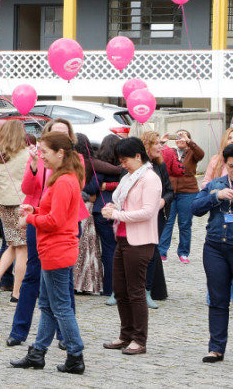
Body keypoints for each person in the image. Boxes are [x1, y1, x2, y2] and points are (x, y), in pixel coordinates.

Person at [10, 131, 85, 374]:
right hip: (54, 250)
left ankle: (75, 355)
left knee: (60, 307)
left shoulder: (64, 181)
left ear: (60, 153)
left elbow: (55, 221)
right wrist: (35, 209)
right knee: (48, 305)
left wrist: (30, 219)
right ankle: (38, 352)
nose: (40, 156)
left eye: (44, 151)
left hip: (57, 250)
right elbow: (55, 213)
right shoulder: (64, 178)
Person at [100, 137, 162, 356]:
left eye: (125, 160)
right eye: (120, 160)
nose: (123, 164)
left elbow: (147, 212)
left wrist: (117, 214)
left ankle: (139, 339)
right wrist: (112, 207)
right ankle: (125, 335)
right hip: (123, 237)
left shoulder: (150, 178)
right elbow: (123, 203)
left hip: (141, 240)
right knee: (120, 290)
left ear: (138, 156)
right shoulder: (128, 177)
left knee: (135, 291)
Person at [192, 141, 233, 363]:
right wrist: (216, 196)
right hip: (215, 248)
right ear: (225, 164)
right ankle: (216, 348)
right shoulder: (216, 184)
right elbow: (195, 208)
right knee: (217, 300)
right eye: (232, 166)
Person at [0, 119, 30, 303]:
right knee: (22, 248)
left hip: (3, 203)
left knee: (13, 244)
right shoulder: (27, 154)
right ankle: (17, 293)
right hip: (22, 203)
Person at [86, 135, 123, 301]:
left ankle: (110, 288)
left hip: (102, 209)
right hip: (120, 209)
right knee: (119, 249)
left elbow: (92, 187)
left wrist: (105, 186)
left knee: (108, 250)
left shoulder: (100, 166)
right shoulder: (124, 166)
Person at [159, 129, 204, 263]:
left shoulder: (192, 152)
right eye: (178, 137)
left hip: (188, 192)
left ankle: (183, 253)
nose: (180, 139)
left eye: (183, 137)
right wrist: (161, 142)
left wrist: (189, 142)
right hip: (170, 192)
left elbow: (201, 154)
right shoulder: (169, 151)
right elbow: (154, 156)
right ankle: (162, 252)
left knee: (185, 224)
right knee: (167, 222)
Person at [140, 131, 173, 306]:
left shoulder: (160, 166)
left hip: (158, 215)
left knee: (152, 251)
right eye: (157, 143)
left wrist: (163, 201)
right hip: (140, 215)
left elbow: (170, 190)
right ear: (147, 146)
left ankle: (149, 290)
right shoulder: (137, 167)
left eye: (161, 143)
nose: (161, 146)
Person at [73, 133, 104, 295]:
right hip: (87, 206)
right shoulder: (93, 164)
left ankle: (78, 282)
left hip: (82, 207)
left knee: (82, 245)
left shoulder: (84, 164)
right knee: (88, 246)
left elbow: (90, 187)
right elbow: (93, 188)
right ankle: (87, 283)